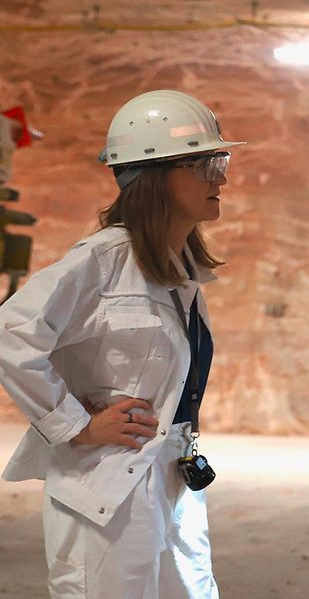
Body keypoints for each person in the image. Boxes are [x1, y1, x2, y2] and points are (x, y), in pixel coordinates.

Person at [0, 89, 243, 598]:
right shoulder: (103, 260)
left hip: (171, 478)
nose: (219, 176)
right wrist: (77, 425)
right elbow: (10, 334)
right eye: (202, 163)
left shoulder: (179, 271)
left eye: (218, 159)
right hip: (107, 485)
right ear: (151, 175)